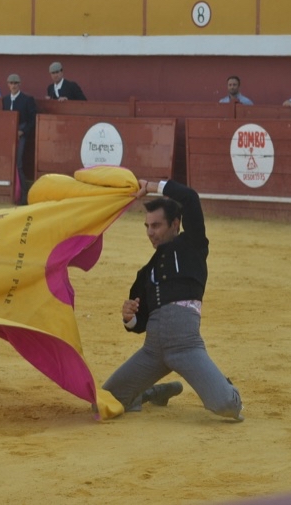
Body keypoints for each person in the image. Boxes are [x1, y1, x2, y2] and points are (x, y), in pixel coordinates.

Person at [102, 179, 244, 422]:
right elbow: (141, 322)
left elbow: (189, 197)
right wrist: (129, 318)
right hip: (152, 351)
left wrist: (150, 186)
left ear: (175, 224)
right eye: (147, 226)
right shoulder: (146, 273)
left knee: (226, 406)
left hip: (185, 346)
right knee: (106, 400)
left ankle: (220, 384)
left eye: (156, 225)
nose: (150, 233)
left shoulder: (193, 246)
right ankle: (152, 392)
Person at [2, 74, 36, 206]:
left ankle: (23, 195)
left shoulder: (27, 99)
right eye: (11, 83)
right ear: (8, 84)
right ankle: (13, 194)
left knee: (19, 163)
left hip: (21, 133)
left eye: (16, 83)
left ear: (19, 84)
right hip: (9, 134)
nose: (14, 85)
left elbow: (32, 119)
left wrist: (23, 131)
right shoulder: (5, 100)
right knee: (10, 164)